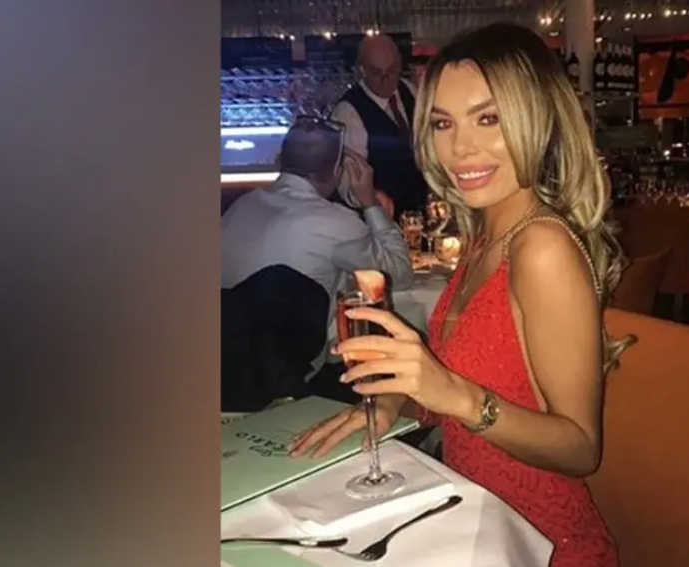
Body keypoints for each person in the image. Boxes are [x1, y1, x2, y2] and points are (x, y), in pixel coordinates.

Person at [290, 23, 634, 567]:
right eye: (443, 123)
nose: (461, 148)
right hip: (472, 528)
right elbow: (476, 384)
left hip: (540, 546)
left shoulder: (540, 245)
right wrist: (398, 403)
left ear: (538, 120)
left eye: (489, 118)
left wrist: (454, 394)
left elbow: (580, 447)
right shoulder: (484, 235)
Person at [222, 117, 414, 400]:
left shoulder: (240, 207)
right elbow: (399, 275)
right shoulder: (335, 222)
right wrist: (369, 201)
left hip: (223, 368)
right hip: (288, 377)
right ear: (338, 170)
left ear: (279, 160)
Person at [330, 34, 429, 218]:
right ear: (362, 70)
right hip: (379, 220)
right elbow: (348, 180)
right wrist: (371, 201)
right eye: (377, 72)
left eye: (392, 71)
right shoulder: (348, 113)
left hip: (418, 214)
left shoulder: (409, 90)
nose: (386, 79)